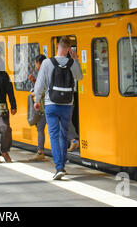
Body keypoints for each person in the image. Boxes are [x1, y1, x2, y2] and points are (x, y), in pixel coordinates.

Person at [34, 36, 83, 180]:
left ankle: (59, 167)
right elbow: (80, 77)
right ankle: (62, 165)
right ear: (69, 49)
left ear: (57, 46)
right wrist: (76, 59)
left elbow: (40, 83)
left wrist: (37, 100)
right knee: (63, 135)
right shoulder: (71, 62)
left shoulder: (47, 63)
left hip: (51, 104)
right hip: (67, 105)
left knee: (54, 135)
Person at [28, 54, 48, 161]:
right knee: (42, 128)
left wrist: (35, 95)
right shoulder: (48, 72)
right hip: (46, 107)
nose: (36, 65)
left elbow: (43, 89)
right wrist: (34, 81)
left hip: (44, 107)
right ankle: (40, 151)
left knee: (42, 129)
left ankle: (41, 152)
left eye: (36, 63)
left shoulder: (43, 73)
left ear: (39, 63)